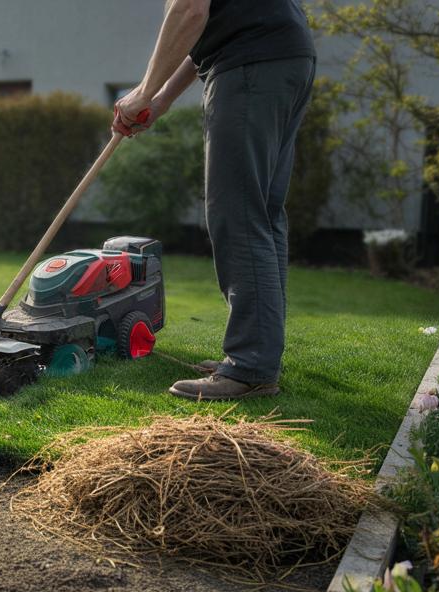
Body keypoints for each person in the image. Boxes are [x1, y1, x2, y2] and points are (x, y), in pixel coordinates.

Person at [113, 0, 317, 400]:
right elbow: (202, 35)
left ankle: (250, 365)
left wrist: (142, 92)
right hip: (285, 57)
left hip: (251, 65)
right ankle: (257, 357)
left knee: (238, 215)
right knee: (262, 214)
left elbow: (189, 11)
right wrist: (161, 99)